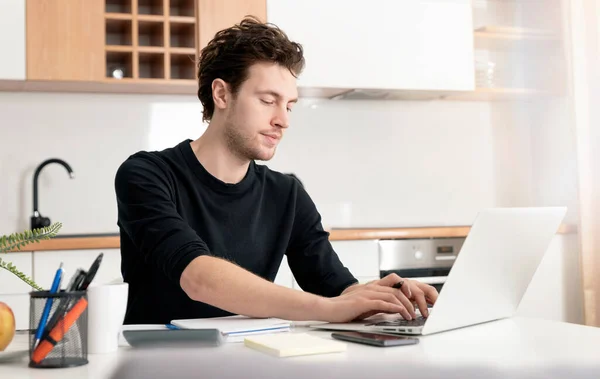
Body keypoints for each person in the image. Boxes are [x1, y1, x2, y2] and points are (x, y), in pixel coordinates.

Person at [114, 16, 438, 325]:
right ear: (222, 94)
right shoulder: (146, 175)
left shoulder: (286, 194)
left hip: (253, 356)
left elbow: (333, 285)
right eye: (268, 100)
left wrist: (378, 297)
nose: (283, 120)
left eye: (289, 105)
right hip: (157, 360)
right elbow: (198, 277)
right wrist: (328, 308)